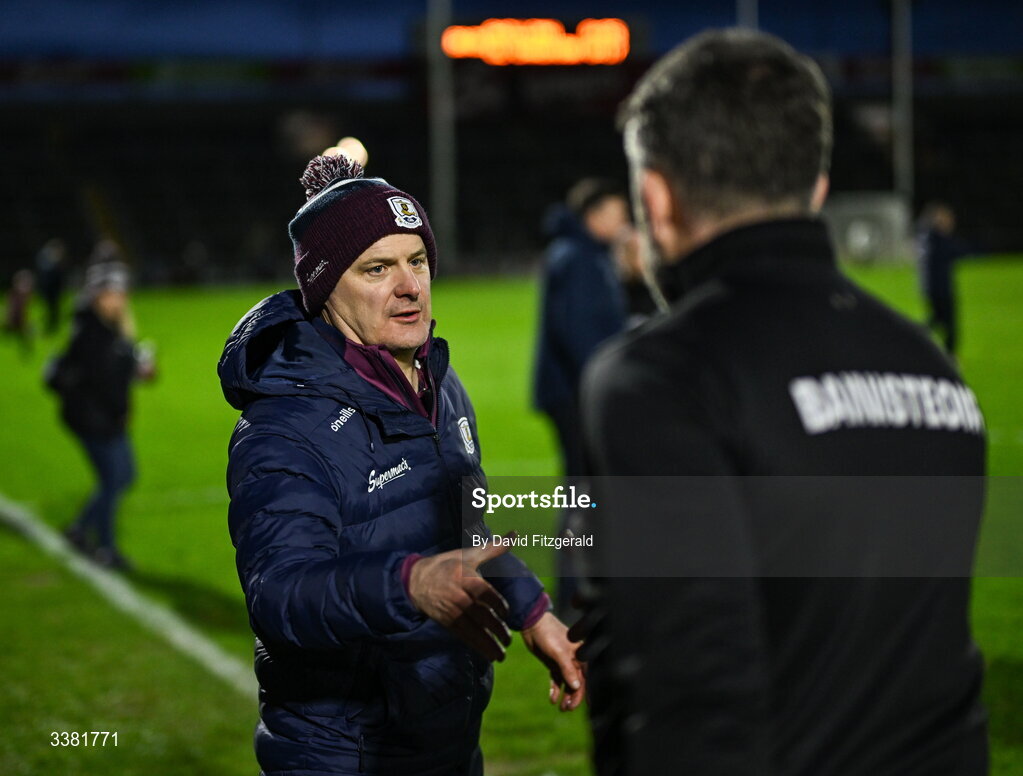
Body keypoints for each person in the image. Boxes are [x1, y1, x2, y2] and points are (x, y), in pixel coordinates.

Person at [577, 29, 988, 776]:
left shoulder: (662, 374)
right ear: (818, 190)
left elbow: (698, 695)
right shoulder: (934, 373)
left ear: (658, 198)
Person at [218, 153, 584, 776]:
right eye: (377, 268)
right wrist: (409, 582)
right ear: (326, 288)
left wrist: (532, 611)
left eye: (416, 261)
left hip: (446, 737)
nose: (410, 286)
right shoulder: (284, 425)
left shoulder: (440, 385)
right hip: (345, 754)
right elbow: (279, 595)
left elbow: (469, 531)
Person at [532, 179, 631, 620]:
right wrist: (609, 384)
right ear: (594, 215)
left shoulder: (585, 253)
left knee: (584, 490)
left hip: (576, 389)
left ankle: (580, 584)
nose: (624, 221)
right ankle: (574, 590)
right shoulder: (577, 258)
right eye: (617, 212)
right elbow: (579, 336)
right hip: (576, 393)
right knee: (581, 493)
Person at [53, 260, 152, 570]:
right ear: (98, 294)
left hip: (104, 417)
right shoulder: (91, 332)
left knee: (123, 476)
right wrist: (121, 408)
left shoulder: (108, 324)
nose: (120, 298)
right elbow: (101, 380)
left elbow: (117, 372)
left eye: (122, 292)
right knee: (113, 480)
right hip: (93, 420)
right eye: (113, 292)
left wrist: (137, 367)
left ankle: (80, 529)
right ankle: (105, 549)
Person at [916, 201, 969, 355]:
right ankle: (949, 355)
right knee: (950, 325)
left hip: (932, 288)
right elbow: (958, 251)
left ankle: (918, 337)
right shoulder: (938, 240)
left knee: (936, 320)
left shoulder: (928, 237)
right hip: (941, 288)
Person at [35, 238, 67, 335]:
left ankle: (53, 326)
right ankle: (51, 326)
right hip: (49, 290)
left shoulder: (52, 261)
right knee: (51, 309)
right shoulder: (48, 261)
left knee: (54, 309)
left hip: (53, 290)